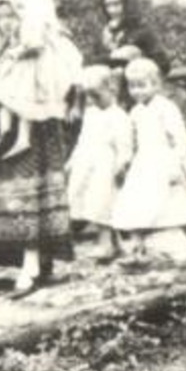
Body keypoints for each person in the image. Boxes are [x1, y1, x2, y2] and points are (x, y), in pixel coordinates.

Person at [0, 0, 80, 297]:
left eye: (12, 17)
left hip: (30, 130)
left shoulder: (38, 50)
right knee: (4, 195)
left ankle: (33, 263)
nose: (6, 24)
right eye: (0, 18)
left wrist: (4, 93)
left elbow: (46, 88)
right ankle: (18, 260)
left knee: (29, 193)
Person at [110, 58, 186, 262]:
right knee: (135, 204)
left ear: (156, 84)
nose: (136, 91)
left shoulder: (166, 107)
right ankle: (138, 250)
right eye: (132, 86)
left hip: (166, 160)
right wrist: (125, 161)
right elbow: (131, 139)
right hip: (144, 164)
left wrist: (176, 164)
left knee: (179, 207)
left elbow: (180, 137)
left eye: (142, 85)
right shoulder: (136, 111)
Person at [65, 65, 133, 263]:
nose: (92, 101)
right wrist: (72, 159)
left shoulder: (119, 116)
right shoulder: (91, 114)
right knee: (87, 202)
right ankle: (116, 244)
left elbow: (125, 144)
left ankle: (105, 244)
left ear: (112, 89)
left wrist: (122, 162)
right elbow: (83, 140)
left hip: (106, 165)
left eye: (96, 95)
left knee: (102, 204)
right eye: (88, 97)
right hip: (87, 163)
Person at [96, 0, 172, 106]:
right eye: (108, 5)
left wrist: (139, 59)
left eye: (117, 4)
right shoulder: (105, 32)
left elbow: (164, 64)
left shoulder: (141, 30)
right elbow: (93, 60)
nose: (112, 11)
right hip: (111, 97)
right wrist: (112, 57)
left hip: (138, 96)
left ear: (127, 5)